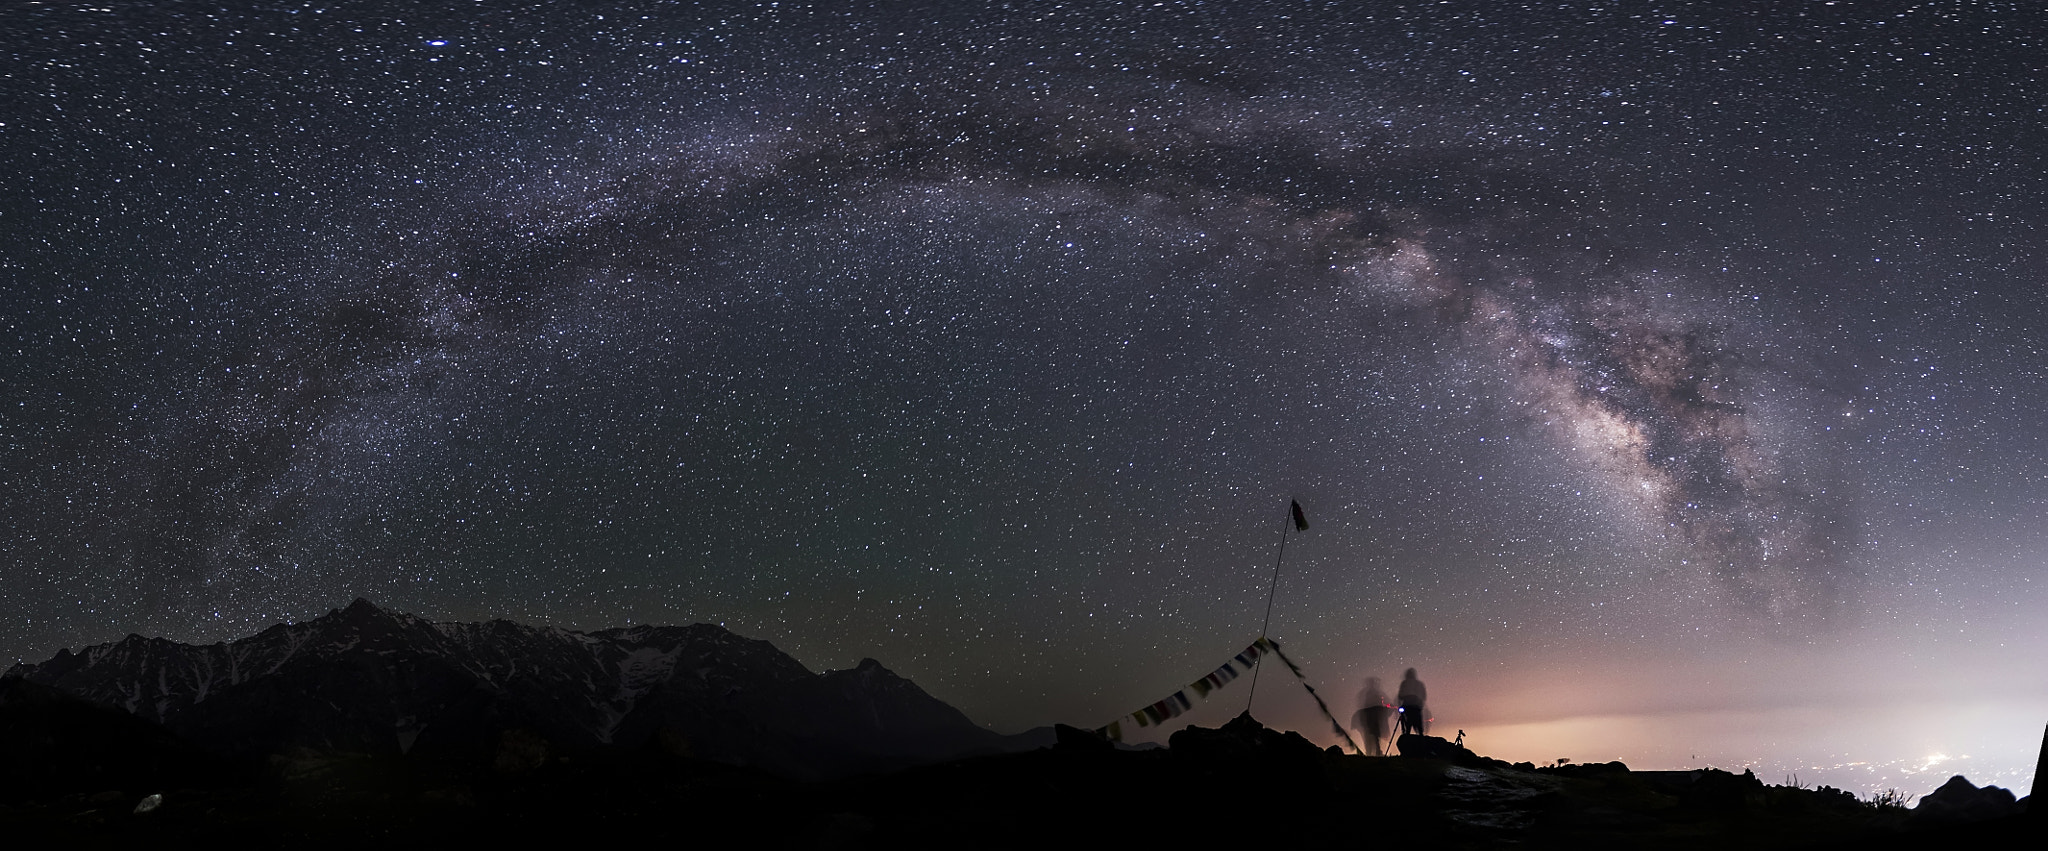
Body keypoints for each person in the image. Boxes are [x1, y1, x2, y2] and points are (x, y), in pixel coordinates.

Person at [1352, 677, 1393, 756]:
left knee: (1372, 736)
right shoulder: (1375, 693)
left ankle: (1372, 752)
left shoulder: (1367, 693)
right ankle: (1373, 752)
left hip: (1370, 718)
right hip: (1371, 718)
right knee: (1373, 736)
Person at [1396, 667, 1428, 736]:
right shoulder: (1419, 684)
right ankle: (1420, 736)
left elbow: (1400, 695)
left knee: (1408, 722)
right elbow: (1423, 695)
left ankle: (1406, 734)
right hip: (1417, 706)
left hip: (1407, 706)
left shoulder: (1404, 683)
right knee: (1418, 724)